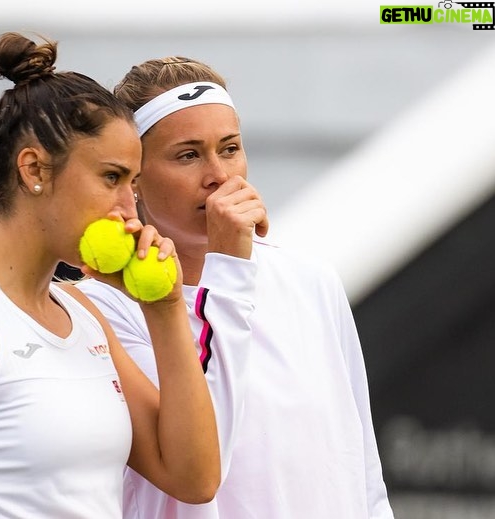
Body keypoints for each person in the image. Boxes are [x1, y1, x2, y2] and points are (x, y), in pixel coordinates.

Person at [0, 35, 220, 519]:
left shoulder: (84, 313)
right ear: (34, 168)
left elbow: (195, 478)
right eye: (112, 178)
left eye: (133, 185)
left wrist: (163, 312)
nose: (129, 209)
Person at [78, 56, 394, 518]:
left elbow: (361, 468)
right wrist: (228, 267)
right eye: (188, 155)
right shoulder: (98, 311)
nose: (220, 176)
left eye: (229, 149)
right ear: (136, 179)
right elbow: (200, 467)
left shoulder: (312, 281)